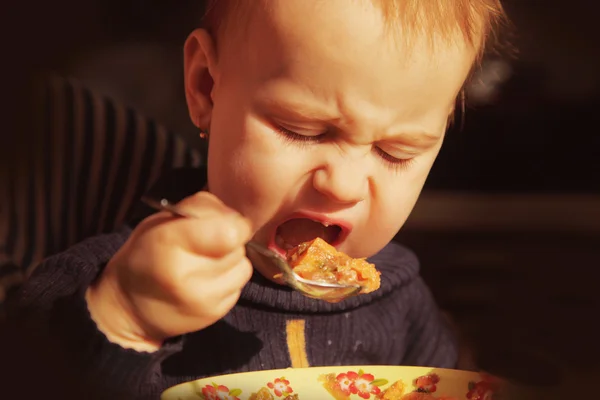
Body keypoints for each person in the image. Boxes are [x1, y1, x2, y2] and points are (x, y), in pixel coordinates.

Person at [2, 1, 508, 399]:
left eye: (396, 152)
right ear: (206, 86)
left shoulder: (403, 305)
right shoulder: (122, 272)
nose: (344, 185)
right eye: (301, 130)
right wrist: (125, 317)